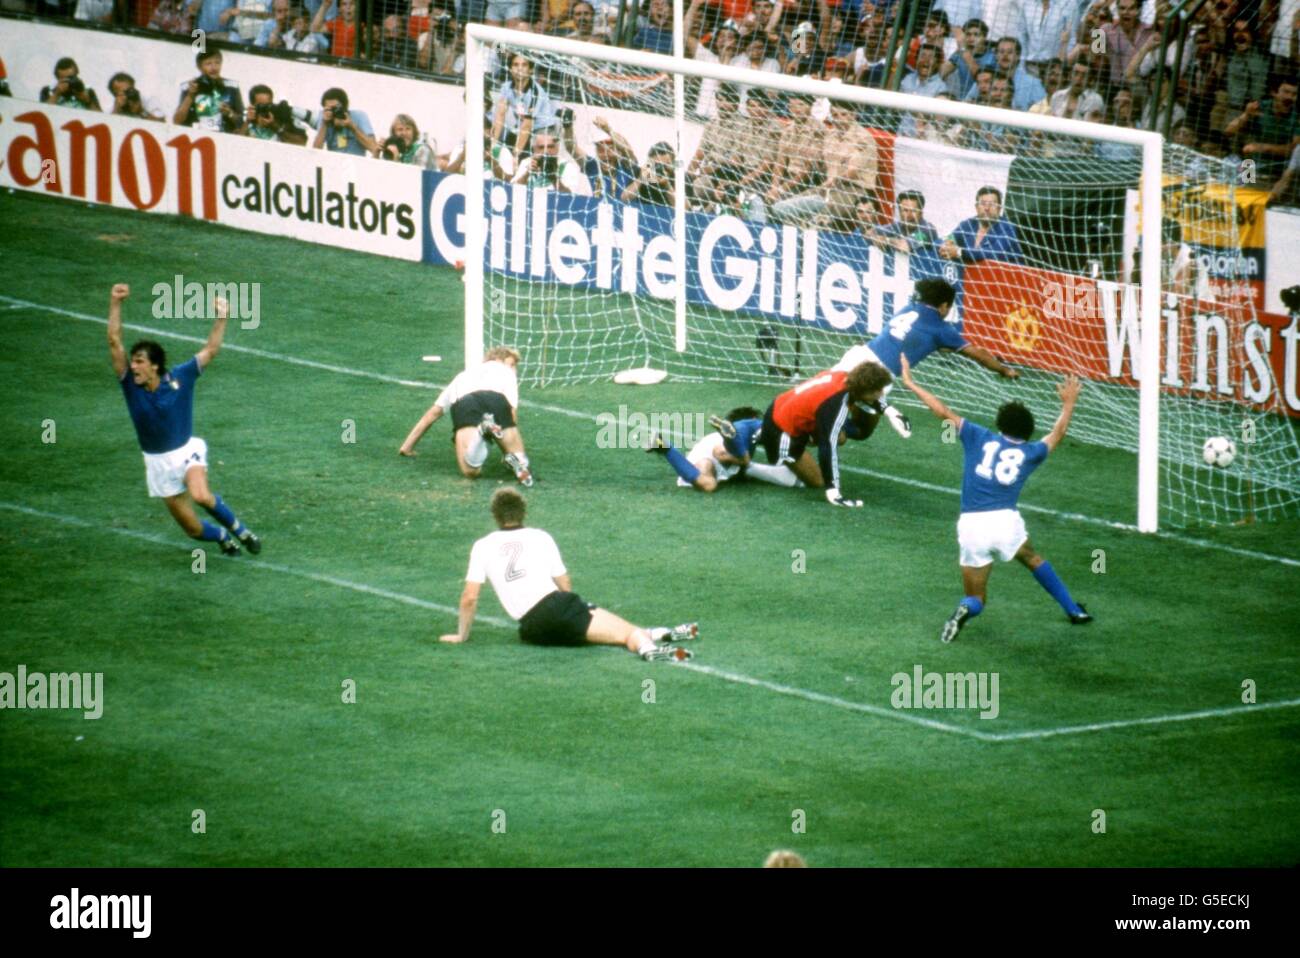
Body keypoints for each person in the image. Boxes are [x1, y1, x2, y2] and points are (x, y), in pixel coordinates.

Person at [896, 354, 1091, 642]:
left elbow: (941, 410)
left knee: (976, 597)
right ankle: (1074, 610)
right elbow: (1058, 433)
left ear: (999, 425)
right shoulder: (1031, 452)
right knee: (1033, 559)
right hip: (1004, 522)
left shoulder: (978, 436)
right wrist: (1069, 402)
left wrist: (910, 382)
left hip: (971, 525)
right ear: (1027, 432)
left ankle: (965, 609)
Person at [441, 488, 698, 661]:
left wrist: (462, 635)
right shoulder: (540, 536)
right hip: (555, 608)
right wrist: (574, 610)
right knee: (626, 634)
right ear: (523, 512)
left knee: (610, 630)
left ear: (495, 515)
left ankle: (661, 633)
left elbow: (469, 597)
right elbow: (564, 584)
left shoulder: (483, 545)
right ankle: (650, 648)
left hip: (532, 630)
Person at [106, 284, 261, 556]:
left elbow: (211, 350)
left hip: (186, 452)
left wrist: (222, 316)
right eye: (133, 362)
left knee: (201, 495)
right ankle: (223, 536)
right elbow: (114, 341)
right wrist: (115, 303)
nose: (134, 366)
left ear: (155, 365)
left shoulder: (181, 376)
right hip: (157, 464)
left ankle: (242, 531)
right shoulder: (130, 386)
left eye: (140, 361)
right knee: (192, 530)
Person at [834, 277, 1019, 438]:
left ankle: (821, 426)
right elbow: (979, 354)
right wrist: (1004, 369)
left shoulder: (909, 307)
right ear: (944, 305)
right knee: (861, 430)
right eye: (949, 307)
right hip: (878, 375)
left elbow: (913, 337)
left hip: (857, 355)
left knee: (826, 402)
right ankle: (821, 431)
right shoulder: (941, 329)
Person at [758, 361, 893, 505]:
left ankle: (769, 437)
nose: (880, 394)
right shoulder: (835, 403)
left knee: (840, 437)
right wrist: (833, 490)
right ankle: (748, 468)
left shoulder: (844, 377)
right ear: (864, 389)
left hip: (784, 409)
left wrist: (891, 411)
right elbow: (827, 447)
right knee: (817, 481)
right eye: (877, 390)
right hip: (780, 430)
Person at [398, 347, 535, 486]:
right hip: (497, 400)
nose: (514, 370)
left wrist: (407, 447)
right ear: (498, 359)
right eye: (511, 364)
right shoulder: (506, 373)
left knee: (470, 471)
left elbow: (432, 415)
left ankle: (481, 433)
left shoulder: (463, 375)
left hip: (466, 404)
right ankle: (517, 461)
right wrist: (508, 447)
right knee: (520, 458)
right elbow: (511, 413)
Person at [647, 409, 804, 492]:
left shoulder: (745, 436)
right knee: (708, 484)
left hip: (712, 454)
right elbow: (719, 452)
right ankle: (665, 448)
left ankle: (664, 446)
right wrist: (743, 461)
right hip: (708, 455)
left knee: (744, 467)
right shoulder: (739, 436)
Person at [939, 186, 1024, 265]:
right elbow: (949, 237)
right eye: (983, 204)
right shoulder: (968, 224)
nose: (987, 208)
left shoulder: (1008, 228)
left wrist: (959, 252)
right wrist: (945, 244)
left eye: (992, 204)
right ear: (976, 207)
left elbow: (992, 253)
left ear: (999, 208)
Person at [173, 49, 244, 132]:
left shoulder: (232, 87)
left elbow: (242, 122)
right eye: (208, 64)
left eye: (217, 62)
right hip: (196, 136)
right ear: (199, 67)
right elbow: (177, 121)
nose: (214, 68)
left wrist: (230, 113)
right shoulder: (188, 86)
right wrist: (190, 95)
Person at [311, 87, 378, 156]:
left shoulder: (359, 116)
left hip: (355, 163)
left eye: (336, 108)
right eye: (330, 108)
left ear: (345, 105)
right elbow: (315, 152)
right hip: (334, 162)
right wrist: (324, 124)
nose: (334, 112)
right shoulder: (324, 118)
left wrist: (351, 126)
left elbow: (373, 147)